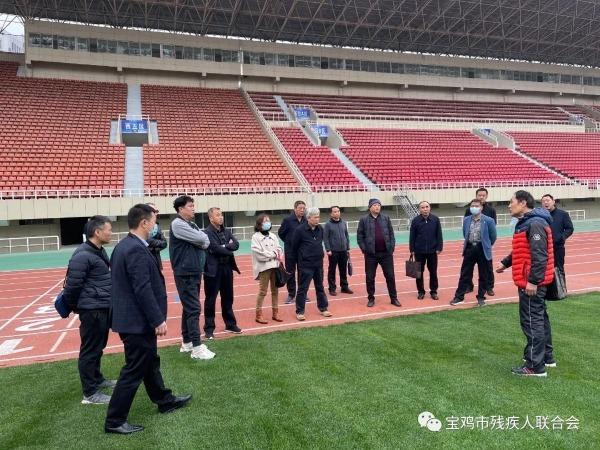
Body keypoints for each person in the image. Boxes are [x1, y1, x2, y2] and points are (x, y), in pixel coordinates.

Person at [105, 204, 191, 434]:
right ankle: (114, 420)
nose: (156, 226)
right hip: (137, 322)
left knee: (150, 362)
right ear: (144, 223)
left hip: (134, 320)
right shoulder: (134, 249)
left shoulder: (127, 245)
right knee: (134, 369)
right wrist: (157, 320)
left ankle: (164, 400)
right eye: (154, 221)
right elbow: (141, 288)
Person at [497, 191, 555, 377]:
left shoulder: (535, 223)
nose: (509, 205)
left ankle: (534, 366)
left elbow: (540, 255)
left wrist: (532, 281)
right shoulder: (526, 223)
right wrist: (506, 262)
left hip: (531, 283)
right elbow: (522, 250)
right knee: (540, 319)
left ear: (522, 203)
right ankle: (546, 357)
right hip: (531, 279)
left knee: (532, 321)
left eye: (511, 202)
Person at [63, 215, 114, 405]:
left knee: (98, 347)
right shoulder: (83, 255)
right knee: (90, 350)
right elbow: (72, 287)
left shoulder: (99, 251)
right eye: (109, 230)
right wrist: (77, 307)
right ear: (97, 232)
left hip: (101, 306)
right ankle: (90, 393)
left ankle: (97, 379)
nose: (111, 233)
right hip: (91, 310)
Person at [169, 195, 214, 359]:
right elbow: (202, 238)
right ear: (181, 209)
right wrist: (199, 241)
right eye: (190, 206)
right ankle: (197, 348)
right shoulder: (178, 224)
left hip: (194, 271)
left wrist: (200, 241)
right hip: (185, 272)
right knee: (194, 308)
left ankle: (187, 342)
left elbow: (206, 241)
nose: (193, 208)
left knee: (188, 307)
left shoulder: (192, 224)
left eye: (193, 205)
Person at [203, 207, 242, 338]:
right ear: (211, 218)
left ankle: (230, 324)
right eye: (217, 215)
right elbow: (214, 248)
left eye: (221, 215)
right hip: (213, 270)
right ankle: (209, 329)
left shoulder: (226, 231)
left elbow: (236, 244)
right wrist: (227, 248)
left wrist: (224, 247)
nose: (221, 217)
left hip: (227, 268)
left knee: (228, 298)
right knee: (210, 300)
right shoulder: (207, 233)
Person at [450, 199, 497, 307]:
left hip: (482, 249)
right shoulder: (466, 220)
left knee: (483, 275)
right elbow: (465, 233)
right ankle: (459, 297)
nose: (474, 208)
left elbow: (493, 237)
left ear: (481, 208)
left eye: (476, 206)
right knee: (464, 274)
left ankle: (481, 298)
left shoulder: (489, 220)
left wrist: (486, 245)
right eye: (472, 206)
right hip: (470, 248)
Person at [290, 207, 332, 321]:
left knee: (320, 287)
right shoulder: (299, 230)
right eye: (315, 217)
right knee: (303, 289)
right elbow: (294, 247)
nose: (317, 219)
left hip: (318, 264)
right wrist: (300, 260)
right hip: (305, 265)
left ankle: (323, 308)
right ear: (308, 218)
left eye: (318, 217)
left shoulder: (320, 229)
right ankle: (300, 311)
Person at [357, 198, 401, 308]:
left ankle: (394, 298)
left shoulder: (386, 218)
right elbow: (360, 237)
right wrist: (365, 249)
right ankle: (371, 298)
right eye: (375, 205)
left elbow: (391, 234)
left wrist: (391, 248)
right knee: (370, 278)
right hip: (371, 255)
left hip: (386, 254)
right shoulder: (363, 220)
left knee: (390, 276)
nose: (377, 207)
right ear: (370, 207)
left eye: (379, 205)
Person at [251, 214, 285, 324]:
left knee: (275, 291)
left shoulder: (273, 236)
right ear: (259, 224)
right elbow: (259, 254)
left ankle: (275, 312)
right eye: (265, 221)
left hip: (275, 266)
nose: (268, 223)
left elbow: (279, 249)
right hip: (263, 268)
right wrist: (273, 254)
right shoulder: (255, 237)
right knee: (262, 291)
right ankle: (258, 314)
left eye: (268, 220)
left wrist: (274, 253)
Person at [464, 188, 497, 296]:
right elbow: (466, 227)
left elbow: (493, 231)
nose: (481, 197)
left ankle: (489, 287)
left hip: (484, 245)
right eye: (479, 195)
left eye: (483, 195)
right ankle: (469, 286)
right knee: (468, 268)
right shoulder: (469, 210)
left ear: (486, 196)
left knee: (488, 268)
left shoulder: (491, 210)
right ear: (476, 195)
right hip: (471, 245)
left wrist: (488, 243)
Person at [409, 201, 443, 300]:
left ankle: (434, 291)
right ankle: (421, 291)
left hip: (432, 251)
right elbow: (412, 236)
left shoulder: (435, 219)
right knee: (418, 272)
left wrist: (439, 247)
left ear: (430, 208)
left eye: (427, 207)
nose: (425, 209)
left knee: (433, 272)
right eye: (422, 207)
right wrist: (412, 249)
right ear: (419, 209)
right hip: (419, 251)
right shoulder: (415, 221)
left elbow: (439, 234)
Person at [278, 200, 307, 304]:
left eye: (304, 208)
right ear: (295, 209)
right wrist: (289, 242)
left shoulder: (306, 220)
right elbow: (281, 233)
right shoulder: (288, 220)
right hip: (290, 251)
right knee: (290, 273)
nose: (302, 210)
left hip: (302, 251)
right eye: (300, 208)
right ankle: (291, 294)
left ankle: (302, 294)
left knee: (302, 273)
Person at [541, 194, 574, 279]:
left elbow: (570, 228)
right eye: (543, 201)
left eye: (548, 200)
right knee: (544, 271)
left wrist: (562, 237)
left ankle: (561, 288)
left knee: (559, 270)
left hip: (557, 248)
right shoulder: (540, 216)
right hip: (543, 248)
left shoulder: (563, 214)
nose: (545, 203)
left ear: (553, 202)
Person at [324, 206, 353, 296]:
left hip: (343, 250)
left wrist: (347, 247)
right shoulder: (328, 224)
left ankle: (344, 287)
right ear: (331, 213)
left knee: (343, 270)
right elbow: (325, 238)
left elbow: (346, 236)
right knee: (332, 270)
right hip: (333, 251)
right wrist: (328, 249)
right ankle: (332, 288)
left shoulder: (343, 223)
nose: (337, 213)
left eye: (338, 211)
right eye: (335, 211)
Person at [145, 203, 167, 270]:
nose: (156, 213)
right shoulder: (140, 225)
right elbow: (144, 240)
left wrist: (154, 249)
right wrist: (154, 243)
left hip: (156, 261)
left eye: (157, 211)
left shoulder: (157, 226)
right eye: (154, 211)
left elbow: (164, 243)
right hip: (144, 262)